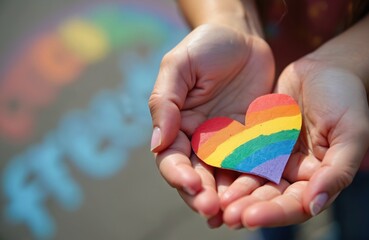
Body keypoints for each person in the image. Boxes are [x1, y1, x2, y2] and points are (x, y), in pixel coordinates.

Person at [148, 0, 369, 239]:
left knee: (358, 219)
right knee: (265, 217)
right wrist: (227, 19)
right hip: (258, 79)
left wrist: (351, 60)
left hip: (347, 115)